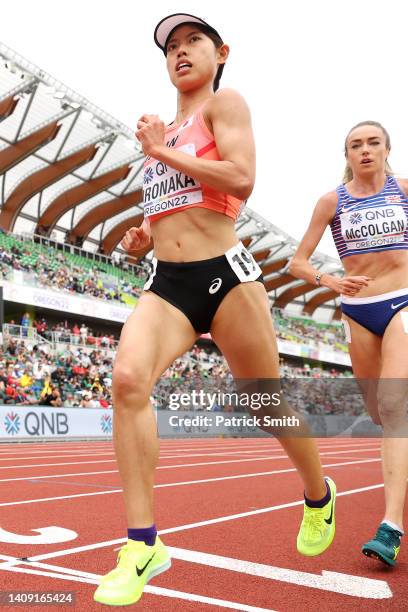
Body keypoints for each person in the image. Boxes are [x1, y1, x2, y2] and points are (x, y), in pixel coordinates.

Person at [94, 13, 336, 606]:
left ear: (220, 52)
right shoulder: (162, 138)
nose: (180, 53)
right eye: (171, 47)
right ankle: (143, 542)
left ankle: (318, 494)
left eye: (192, 42)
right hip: (170, 283)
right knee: (127, 381)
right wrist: (142, 237)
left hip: (226, 276)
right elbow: (173, 209)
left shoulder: (224, 105)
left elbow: (241, 177)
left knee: (264, 401)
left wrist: (159, 150)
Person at [290, 120, 408, 567]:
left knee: (396, 406)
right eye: (355, 145)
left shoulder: (403, 190)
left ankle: (390, 526)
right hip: (358, 313)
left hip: (403, 302)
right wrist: (332, 279)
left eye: (372, 143)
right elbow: (297, 263)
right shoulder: (331, 201)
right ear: (347, 155)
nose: (364, 150)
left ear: (386, 148)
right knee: (380, 412)